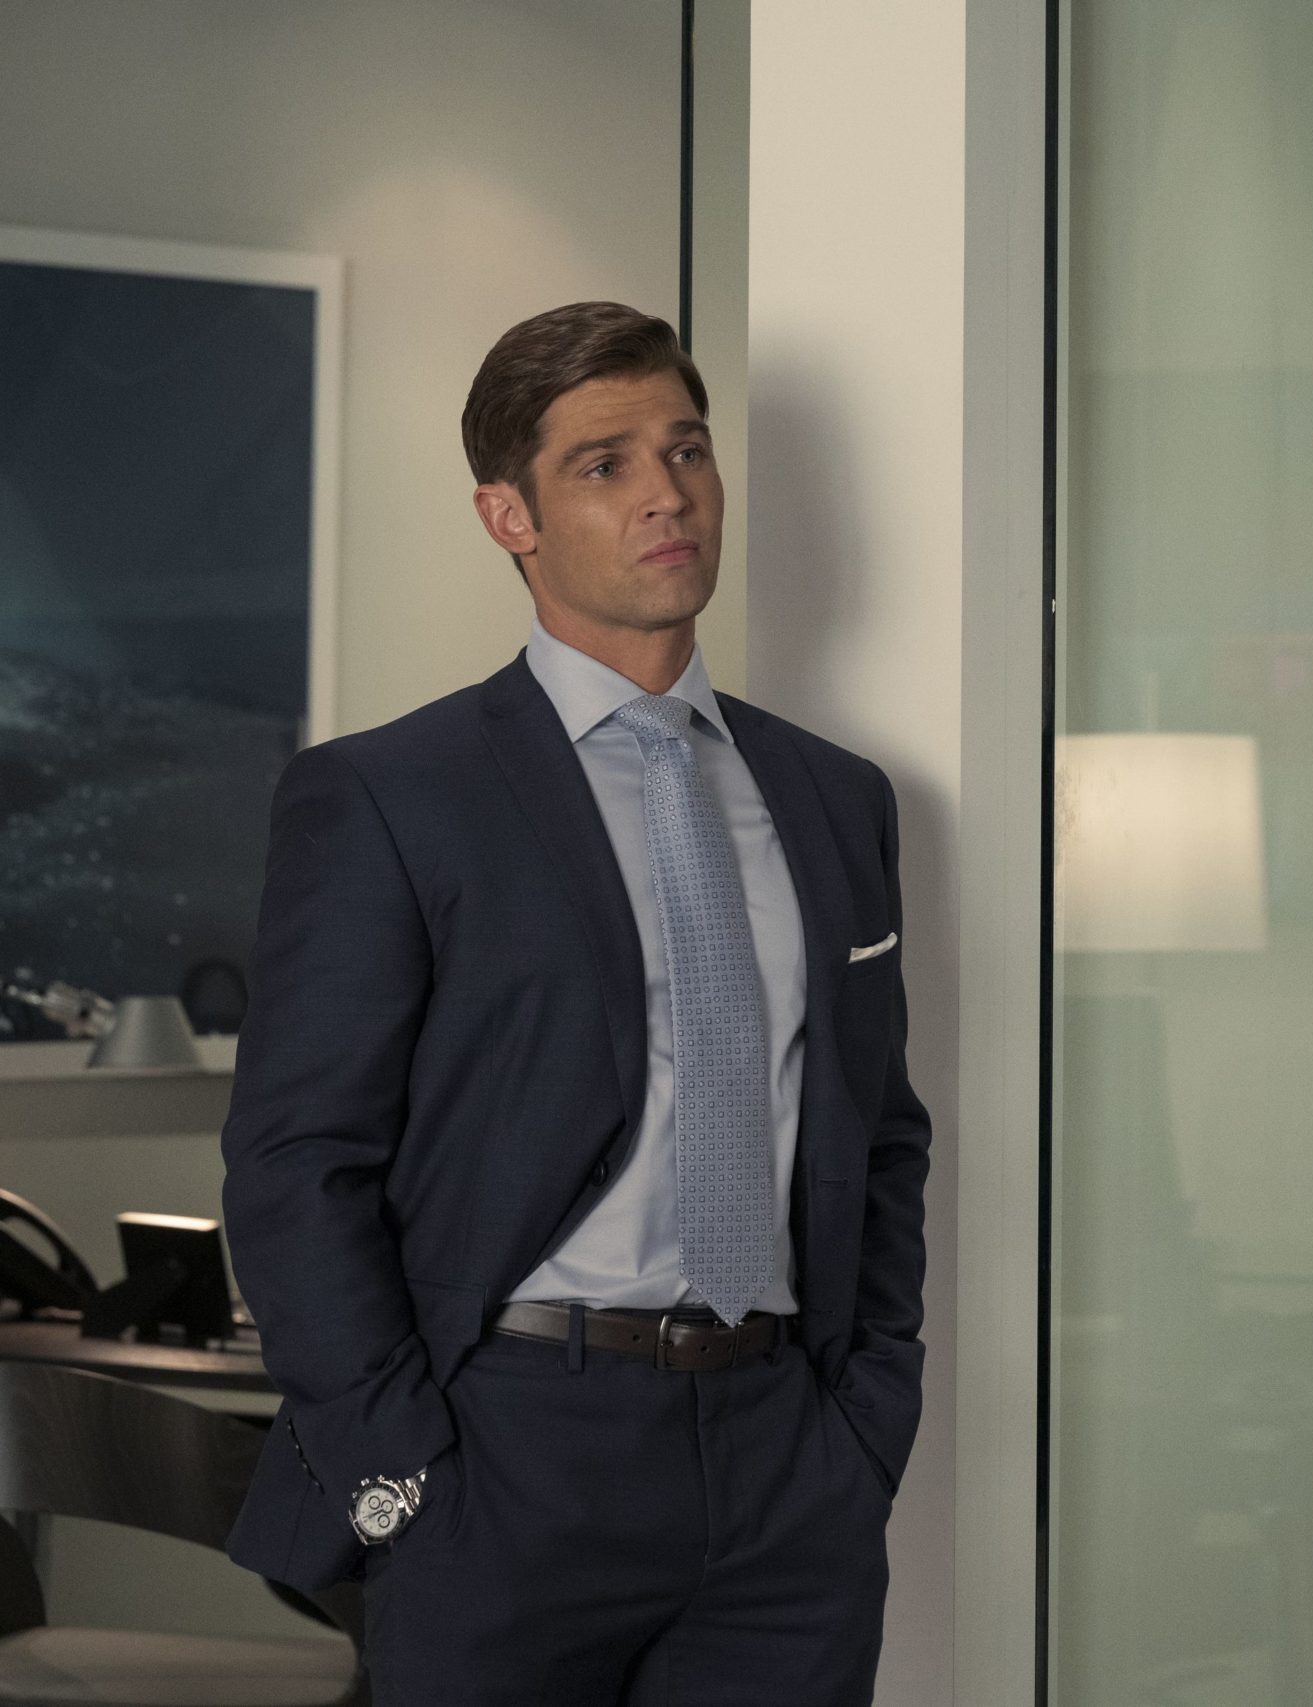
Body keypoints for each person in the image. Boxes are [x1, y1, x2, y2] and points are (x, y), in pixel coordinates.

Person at [221, 302, 928, 1704]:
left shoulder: (836, 798)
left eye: (687, 450)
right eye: (605, 464)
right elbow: (297, 1161)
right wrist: (399, 1472)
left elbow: (879, 1131)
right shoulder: (391, 796)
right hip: (509, 1453)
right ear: (510, 516)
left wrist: (866, 1424)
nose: (667, 493)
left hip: (787, 1464)